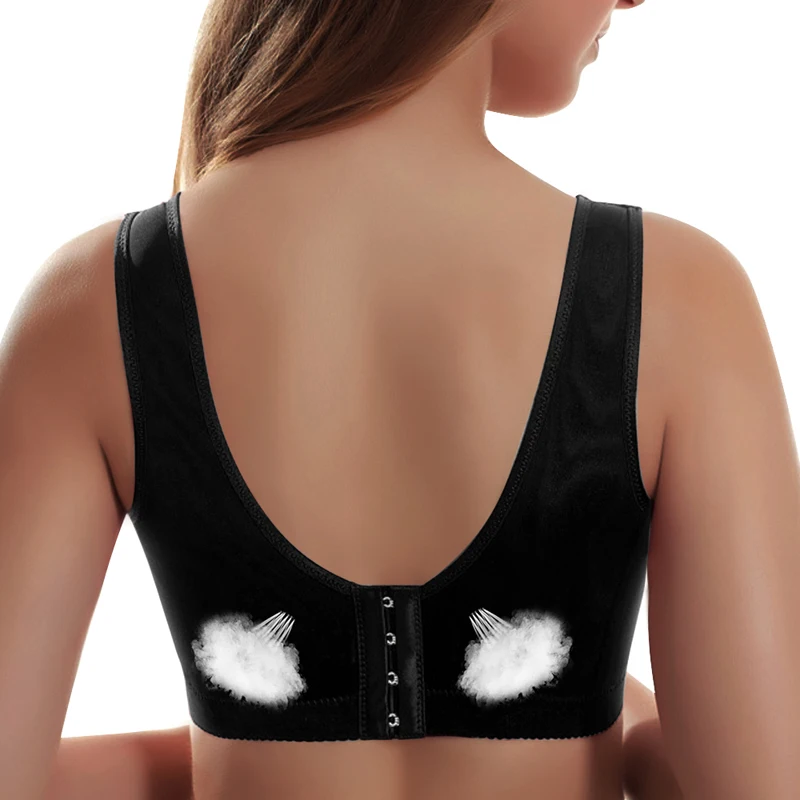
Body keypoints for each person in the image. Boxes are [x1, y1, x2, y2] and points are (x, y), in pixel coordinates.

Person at [1, 0, 798, 799]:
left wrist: (246, 757)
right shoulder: (677, 297)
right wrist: (633, 739)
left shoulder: (94, 300)